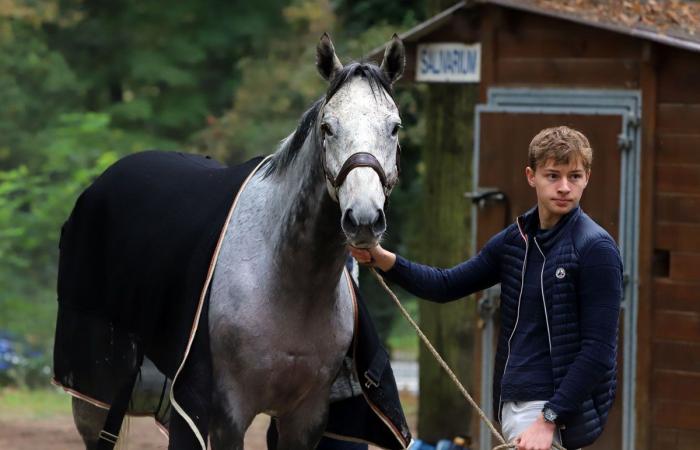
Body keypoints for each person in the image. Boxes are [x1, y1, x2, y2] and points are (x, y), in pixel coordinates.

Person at [349, 126, 623, 450]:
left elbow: (599, 351)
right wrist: (382, 259)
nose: (564, 187)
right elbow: (446, 284)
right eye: (553, 175)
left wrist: (549, 418)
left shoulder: (596, 249)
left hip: (551, 414)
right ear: (531, 176)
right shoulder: (514, 240)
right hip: (512, 406)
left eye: (574, 176)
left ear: (587, 177)